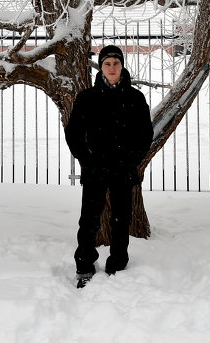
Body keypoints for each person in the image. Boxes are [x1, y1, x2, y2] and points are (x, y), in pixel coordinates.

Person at [64, 44, 153, 285]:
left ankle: (118, 263)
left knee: (121, 218)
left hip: (123, 169)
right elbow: (73, 133)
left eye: (115, 63)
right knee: (89, 218)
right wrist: (86, 157)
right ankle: (84, 263)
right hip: (95, 169)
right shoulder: (87, 98)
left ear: (122, 66)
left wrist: (131, 159)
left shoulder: (135, 98)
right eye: (107, 63)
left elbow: (145, 135)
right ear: (101, 68)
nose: (112, 67)